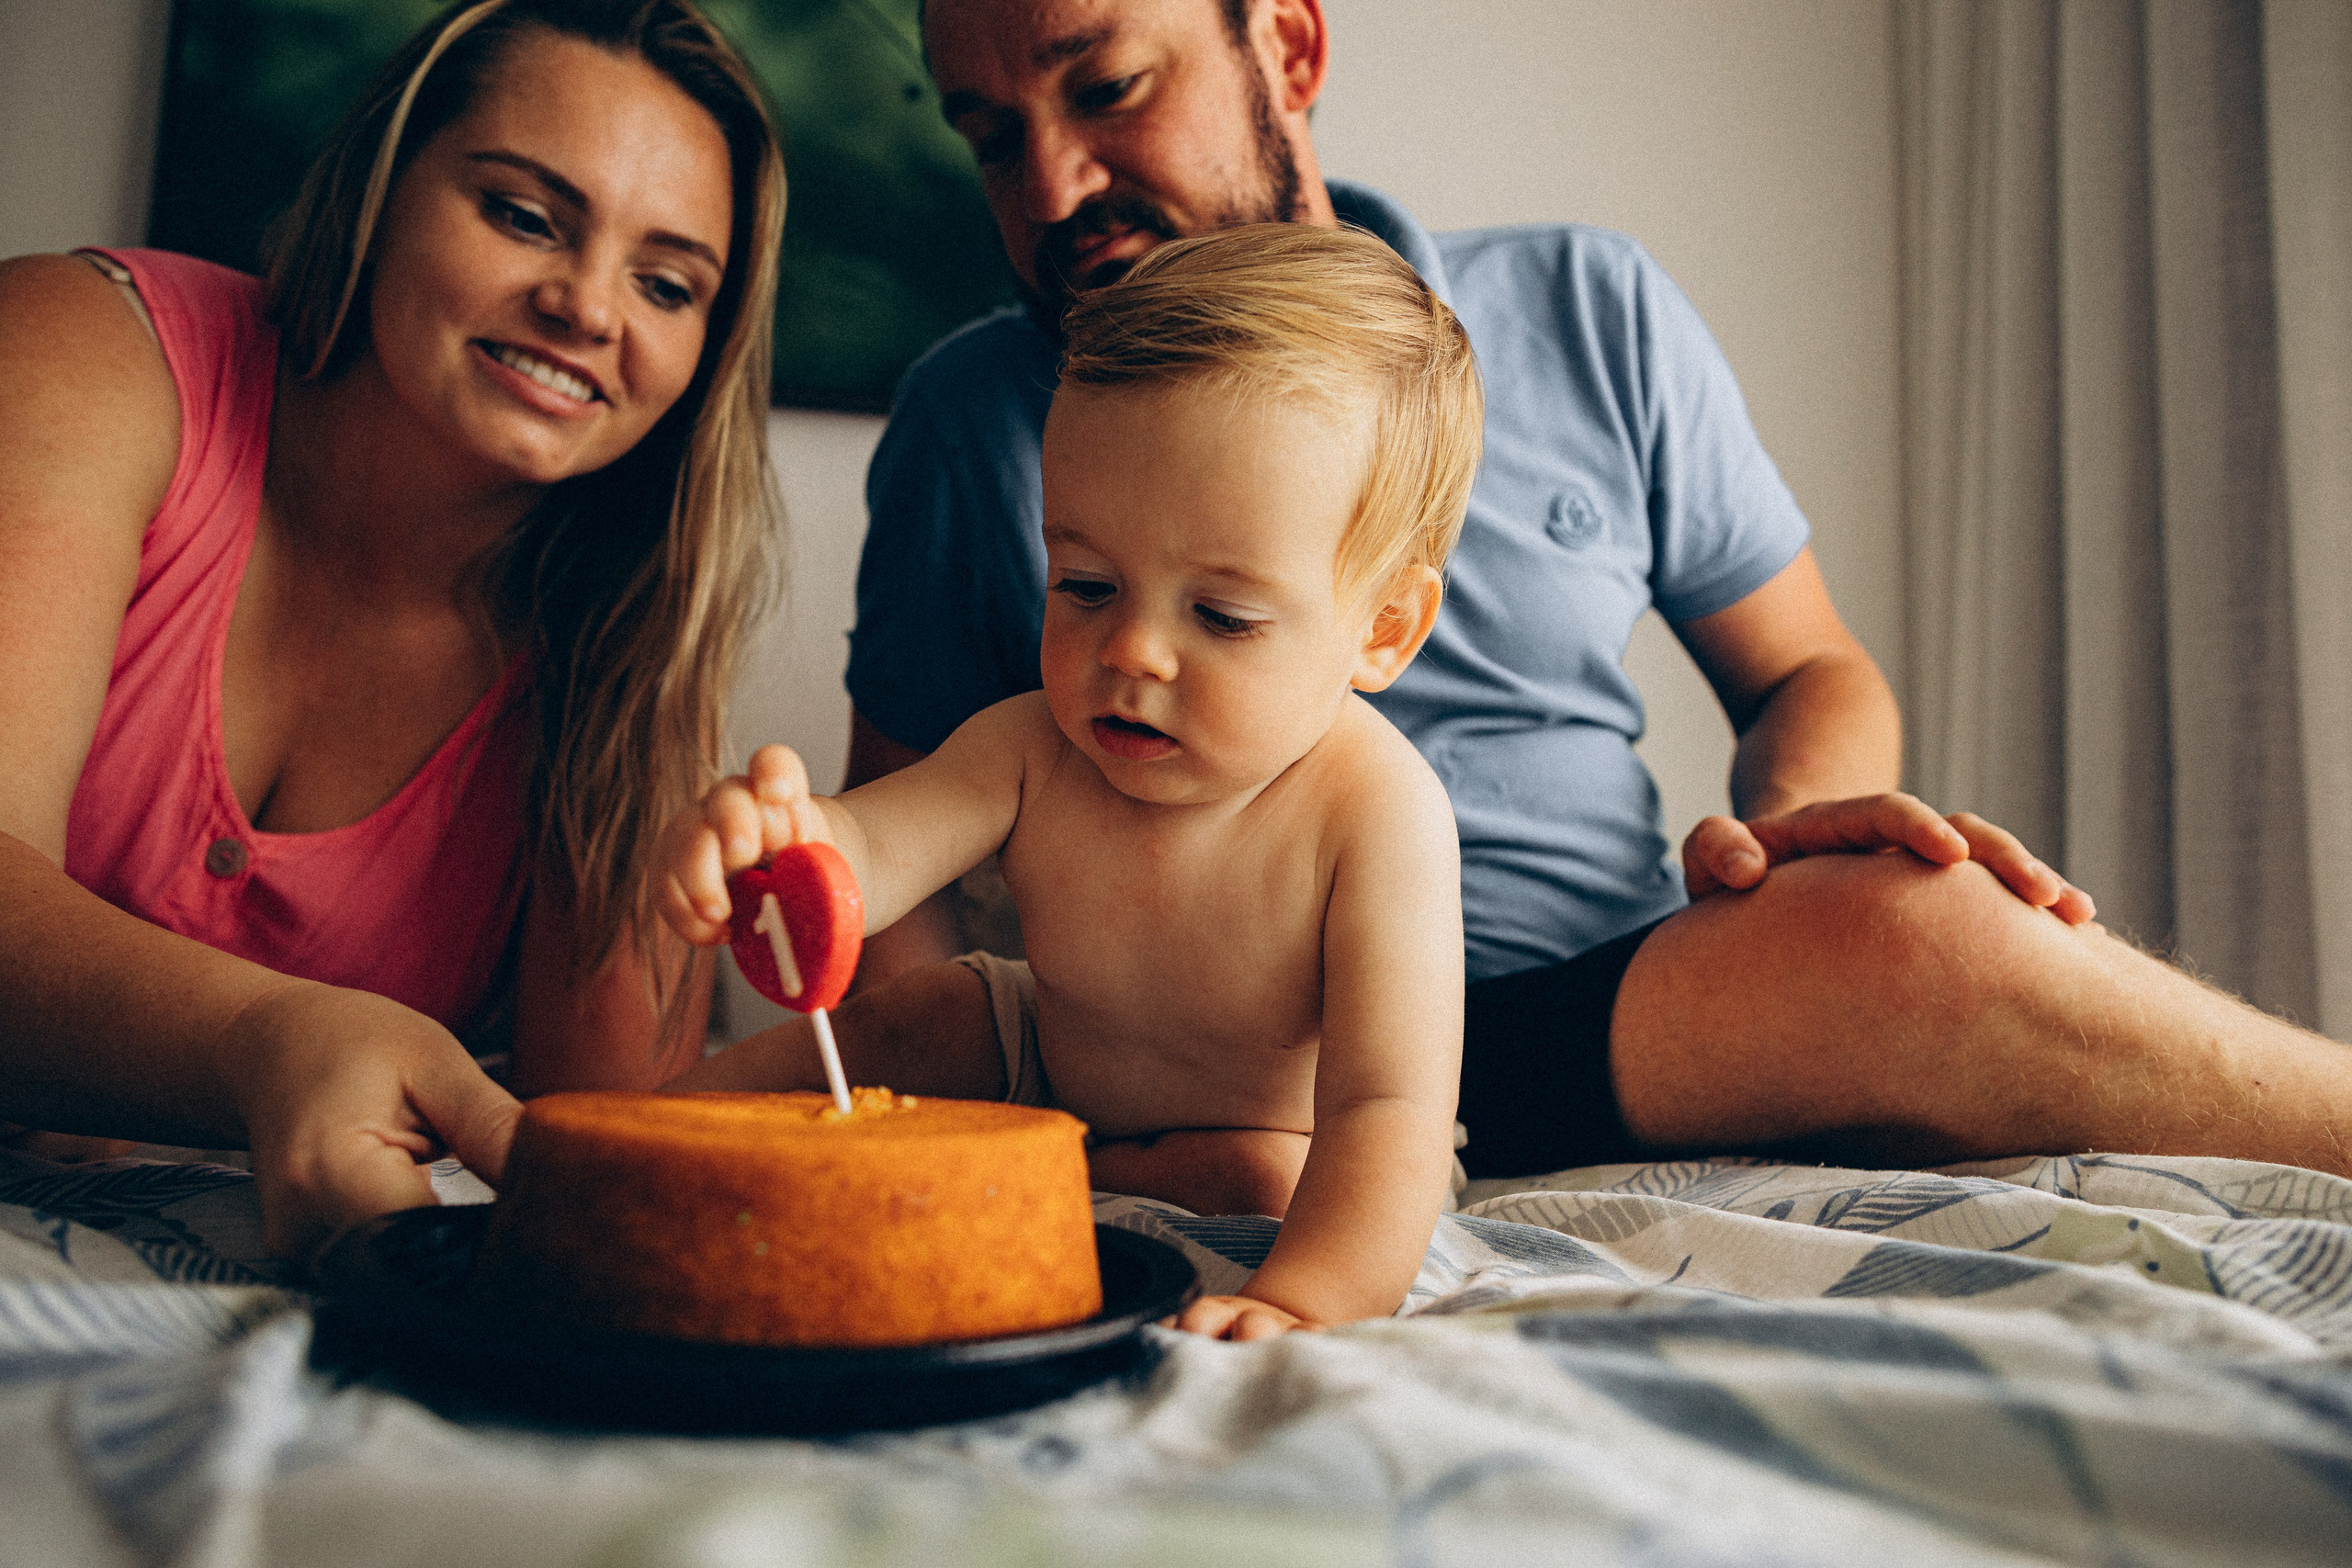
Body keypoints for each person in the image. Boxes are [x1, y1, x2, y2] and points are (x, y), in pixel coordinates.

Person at [840, 0, 2352, 1181]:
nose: (1049, 187)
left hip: (1598, 1009)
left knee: (1923, 929)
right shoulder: (977, 418)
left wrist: (1774, 842)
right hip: (1217, 1060)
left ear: (1285, 48)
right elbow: (890, 881)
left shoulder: (1588, 307)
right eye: (989, 133)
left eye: (1104, 88)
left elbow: (1809, 673)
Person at [0, 0, 786, 1258]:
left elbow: (602, 1132)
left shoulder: (634, 640)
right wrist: (261, 1042)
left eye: (666, 283)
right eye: (525, 215)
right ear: (380, 187)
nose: (588, 309)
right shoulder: (80, 352)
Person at [660, 224, 1478, 1339]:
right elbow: (872, 850)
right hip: (1046, 1059)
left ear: (1383, 631)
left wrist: (1303, 1299)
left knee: (1267, 1183)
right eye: (1087, 585)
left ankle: (1132, 1186)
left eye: (1221, 616)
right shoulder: (1032, 747)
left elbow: (1389, 1106)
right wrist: (780, 842)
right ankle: (628, 1139)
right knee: (927, 1017)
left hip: (1277, 1127)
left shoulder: (1377, 813)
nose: (1131, 651)